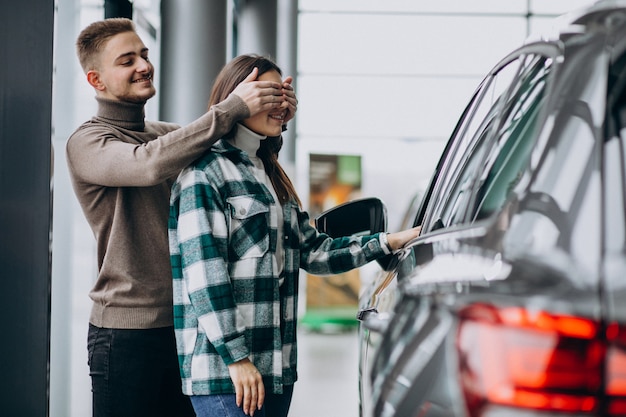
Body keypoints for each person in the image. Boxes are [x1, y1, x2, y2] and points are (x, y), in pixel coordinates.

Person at [66, 18, 297, 417]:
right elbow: (148, 165)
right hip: (126, 335)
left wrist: (274, 114)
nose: (143, 65)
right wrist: (236, 105)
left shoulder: (167, 135)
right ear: (96, 80)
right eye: (126, 60)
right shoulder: (89, 142)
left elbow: (232, 142)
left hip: (187, 328)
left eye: (144, 54)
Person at [168, 54, 422, 417]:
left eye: (284, 95)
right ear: (239, 96)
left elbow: (314, 252)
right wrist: (237, 357)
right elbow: (205, 278)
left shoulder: (270, 176)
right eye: (269, 94)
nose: (281, 105)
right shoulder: (205, 174)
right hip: (227, 374)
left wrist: (388, 241)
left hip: (276, 371)